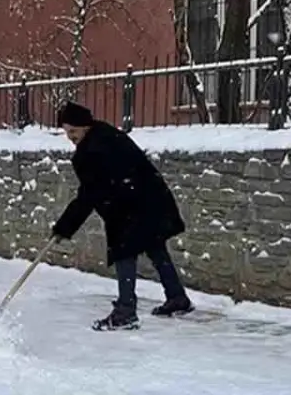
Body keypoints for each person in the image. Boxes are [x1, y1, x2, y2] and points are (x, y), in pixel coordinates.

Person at [50, 101, 194, 331]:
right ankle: (177, 298)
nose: (70, 136)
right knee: (155, 247)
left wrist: (64, 227)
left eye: (73, 131)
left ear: (85, 126)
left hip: (130, 205)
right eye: (67, 132)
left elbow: (89, 194)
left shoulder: (93, 150)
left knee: (124, 252)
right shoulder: (106, 135)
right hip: (148, 198)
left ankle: (126, 311)